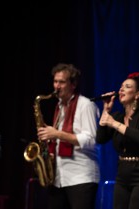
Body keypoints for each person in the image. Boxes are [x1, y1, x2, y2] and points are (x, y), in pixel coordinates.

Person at [37, 63, 100, 209]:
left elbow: (91, 140)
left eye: (62, 82)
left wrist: (57, 134)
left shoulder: (85, 105)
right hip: (58, 178)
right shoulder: (59, 107)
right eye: (55, 81)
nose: (57, 86)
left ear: (73, 84)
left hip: (81, 177)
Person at [95, 72, 139, 209]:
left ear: (138, 94)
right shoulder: (117, 116)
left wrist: (114, 124)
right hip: (123, 172)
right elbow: (100, 139)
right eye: (121, 87)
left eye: (127, 86)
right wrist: (106, 110)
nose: (121, 89)